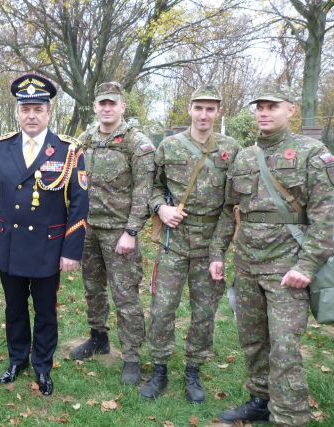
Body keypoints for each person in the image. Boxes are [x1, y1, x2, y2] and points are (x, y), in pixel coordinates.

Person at [217, 83, 334, 426]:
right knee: (253, 341)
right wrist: (217, 253)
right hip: (247, 265)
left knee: (284, 346)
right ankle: (261, 401)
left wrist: (307, 266)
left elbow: (327, 215)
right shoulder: (244, 157)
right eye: (260, 107)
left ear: (290, 110)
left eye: (272, 106)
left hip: (287, 269)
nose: (264, 113)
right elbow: (229, 211)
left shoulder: (311, 152)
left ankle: (290, 416)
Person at [0, 73, 89, 396]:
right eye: (25, 109)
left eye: (38, 109)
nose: (31, 115)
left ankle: (42, 365)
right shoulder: (1, 147)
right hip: (9, 244)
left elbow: (79, 204)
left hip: (47, 247)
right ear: (17, 112)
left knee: (45, 312)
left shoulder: (68, 150)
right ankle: (17, 360)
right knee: (14, 308)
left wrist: (71, 250)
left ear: (49, 113)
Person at [140, 85, 239, 403]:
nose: (204, 115)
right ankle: (159, 368)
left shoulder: (230, 149)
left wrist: (218, 252)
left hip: (209, 246)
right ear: (190, 109)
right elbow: (152, 188)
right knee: (162, 309)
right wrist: (161, 209)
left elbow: (231, 206)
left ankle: (193, 370)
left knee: (204, 312)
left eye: (210, 109)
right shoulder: (169, 146)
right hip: (174, 243)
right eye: (199, 108)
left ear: (218, 111)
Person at [69, 82, 155, 385]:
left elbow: (144, 191)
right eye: (102, 103)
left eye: (112, 103)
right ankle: (98, 338)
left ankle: (131, 356)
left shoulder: (136, 142)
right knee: (93, 289)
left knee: (125, 295)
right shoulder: (85, 139)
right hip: (88, 229)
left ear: (122, 107)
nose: (107, 108)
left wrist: (131, 231)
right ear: (95, 107)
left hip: (119, 232)